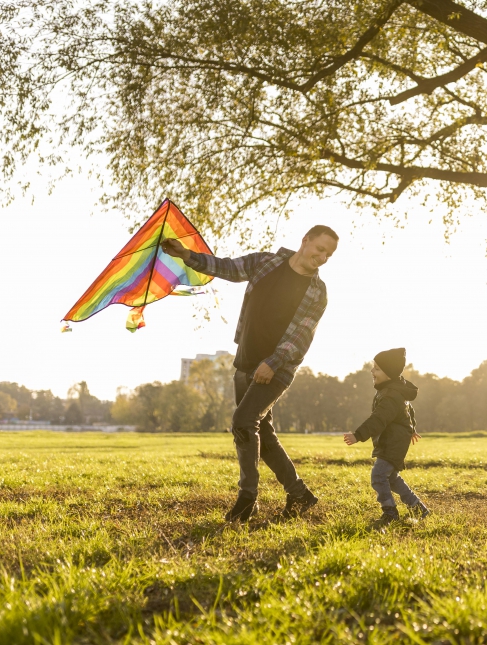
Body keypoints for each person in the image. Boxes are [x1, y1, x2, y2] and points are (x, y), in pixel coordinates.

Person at [160, 225, 338, 522]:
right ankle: (300, 494)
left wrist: (274, 361)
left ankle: (247, 499)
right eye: (319, 249)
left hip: (277, 367)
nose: (322, 257)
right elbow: (229, 267)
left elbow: (301, 336)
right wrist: (187, 255)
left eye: (329, 254)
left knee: (243, 422)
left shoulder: (317, 291)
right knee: (262, 434)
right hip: (245, 361)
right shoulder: (265, 262)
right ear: (304, 240)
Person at [343, 348, 430, 525]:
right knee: (391, 478)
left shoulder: (390, 394)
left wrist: (358, 435)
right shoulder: (392, 390)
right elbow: (408, 410)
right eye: (373, 367)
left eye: (377, 368)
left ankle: (389, 511)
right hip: (394, 441)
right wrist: (412, 427)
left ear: (389, 373)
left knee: (378, 476)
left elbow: (379, 419)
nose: (372, 371)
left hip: (393, 443)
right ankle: (417, 507)